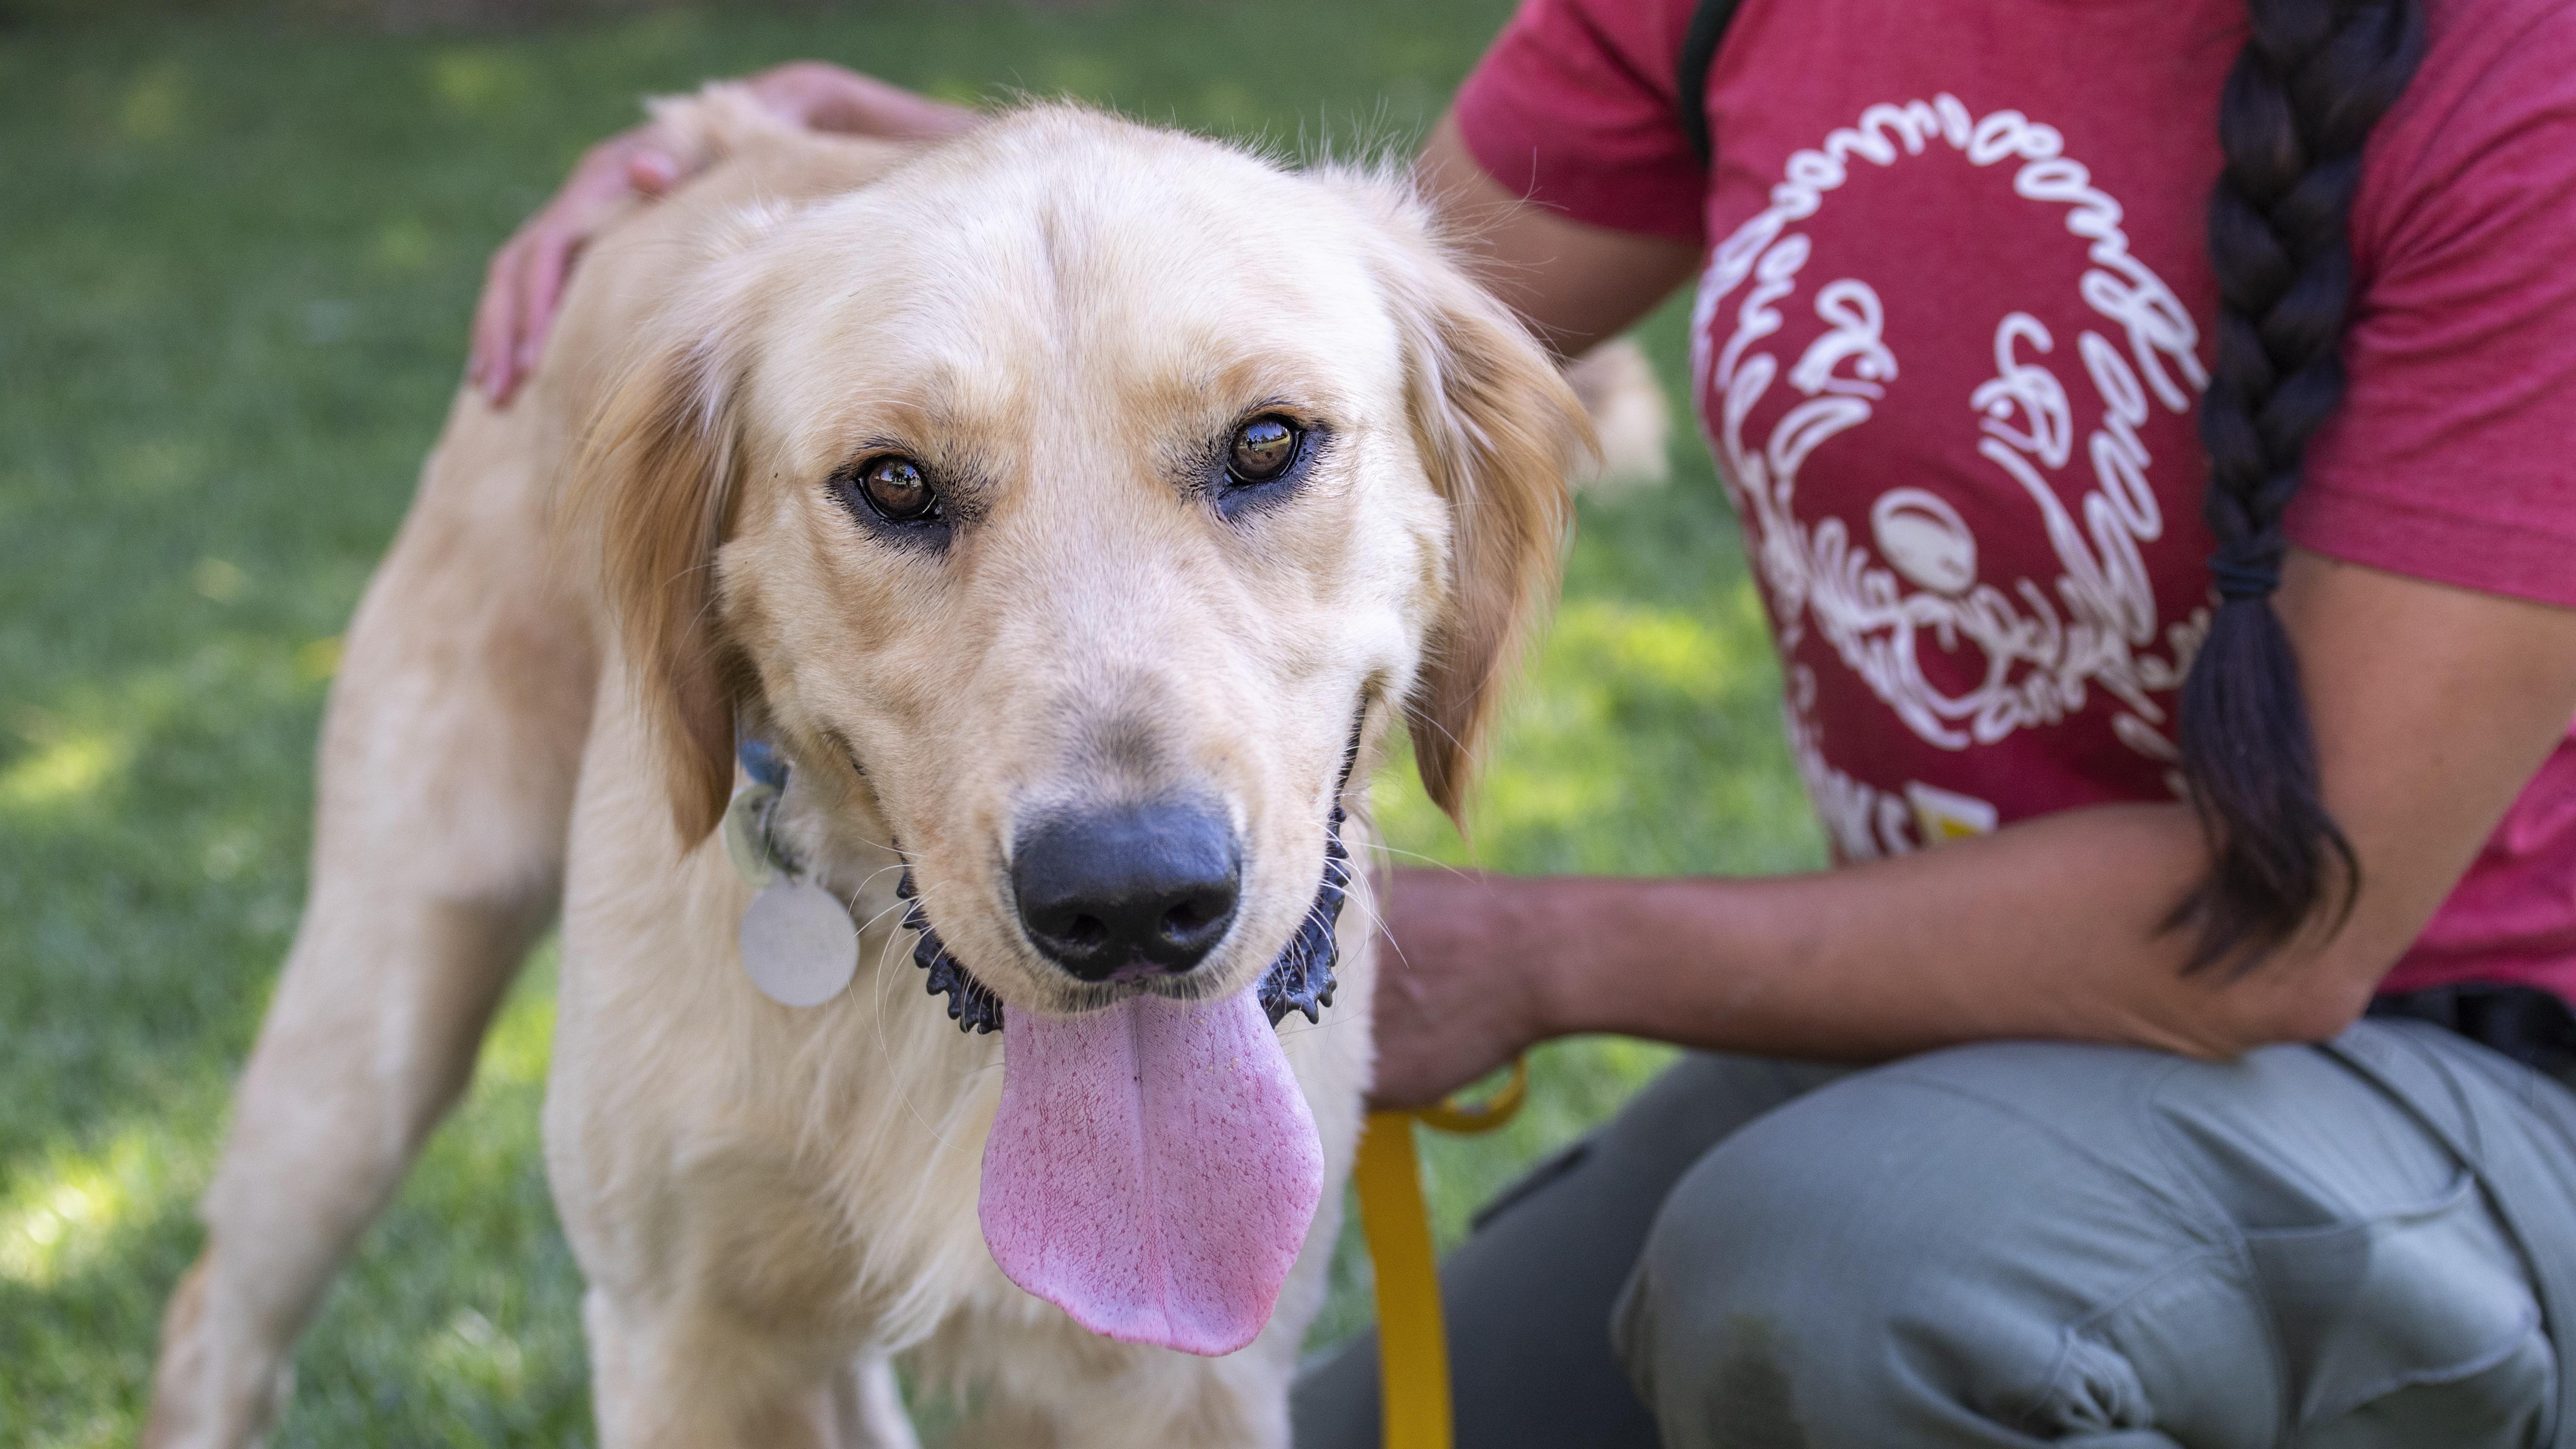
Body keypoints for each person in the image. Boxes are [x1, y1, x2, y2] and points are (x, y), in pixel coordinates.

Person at [475, 1, 2576, 1442]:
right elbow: (1322, 297)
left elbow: (2287, 932)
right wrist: (821, 174)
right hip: (1963, 997)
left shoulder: (2523, 92)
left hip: (2448, 1064)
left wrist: (1543, 951)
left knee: (1844, 1292)